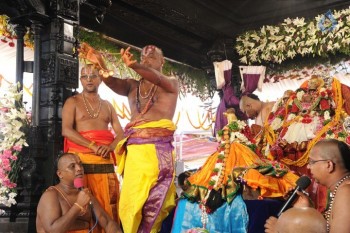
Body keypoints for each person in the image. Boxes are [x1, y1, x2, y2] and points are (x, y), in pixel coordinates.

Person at [78, 43, 179, 233]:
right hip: (135, 152)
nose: (146, 60)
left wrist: (134, 66)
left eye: (151, 57)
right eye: (143, 58)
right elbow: (111, 81)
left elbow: (156, 77)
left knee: (152, 204)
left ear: (162, 61)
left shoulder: (171, 83)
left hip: (157, 152)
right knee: (130, 206)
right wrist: (99, 62)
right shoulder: (133, 86)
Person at [62, 64, 124, 233]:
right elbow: (66, 130)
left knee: (109, 207)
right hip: (81, 164)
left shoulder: (108, 105)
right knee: (82, 208)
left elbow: (121, 133)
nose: (89, 80)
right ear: (81, 80)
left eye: (93, 76)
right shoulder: (72, 102)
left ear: (100, 80)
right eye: (84, 76)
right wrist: (93, 146)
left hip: (105, 163)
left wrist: (109, 147)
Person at [265, 139, 350, 233]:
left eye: (312, 162)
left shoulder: (346, 192)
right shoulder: (341, 189)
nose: (308, 167)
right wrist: (308, 209)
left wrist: (280, 230)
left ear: (328, 165)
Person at [36, 153, 123, 233]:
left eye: (80, 164)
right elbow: (53, 230)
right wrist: (78, 206)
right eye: (72, 166)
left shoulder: (84, 193)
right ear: (60, 174)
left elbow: (107, 222)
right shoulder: (51, 195)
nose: (79, 169)